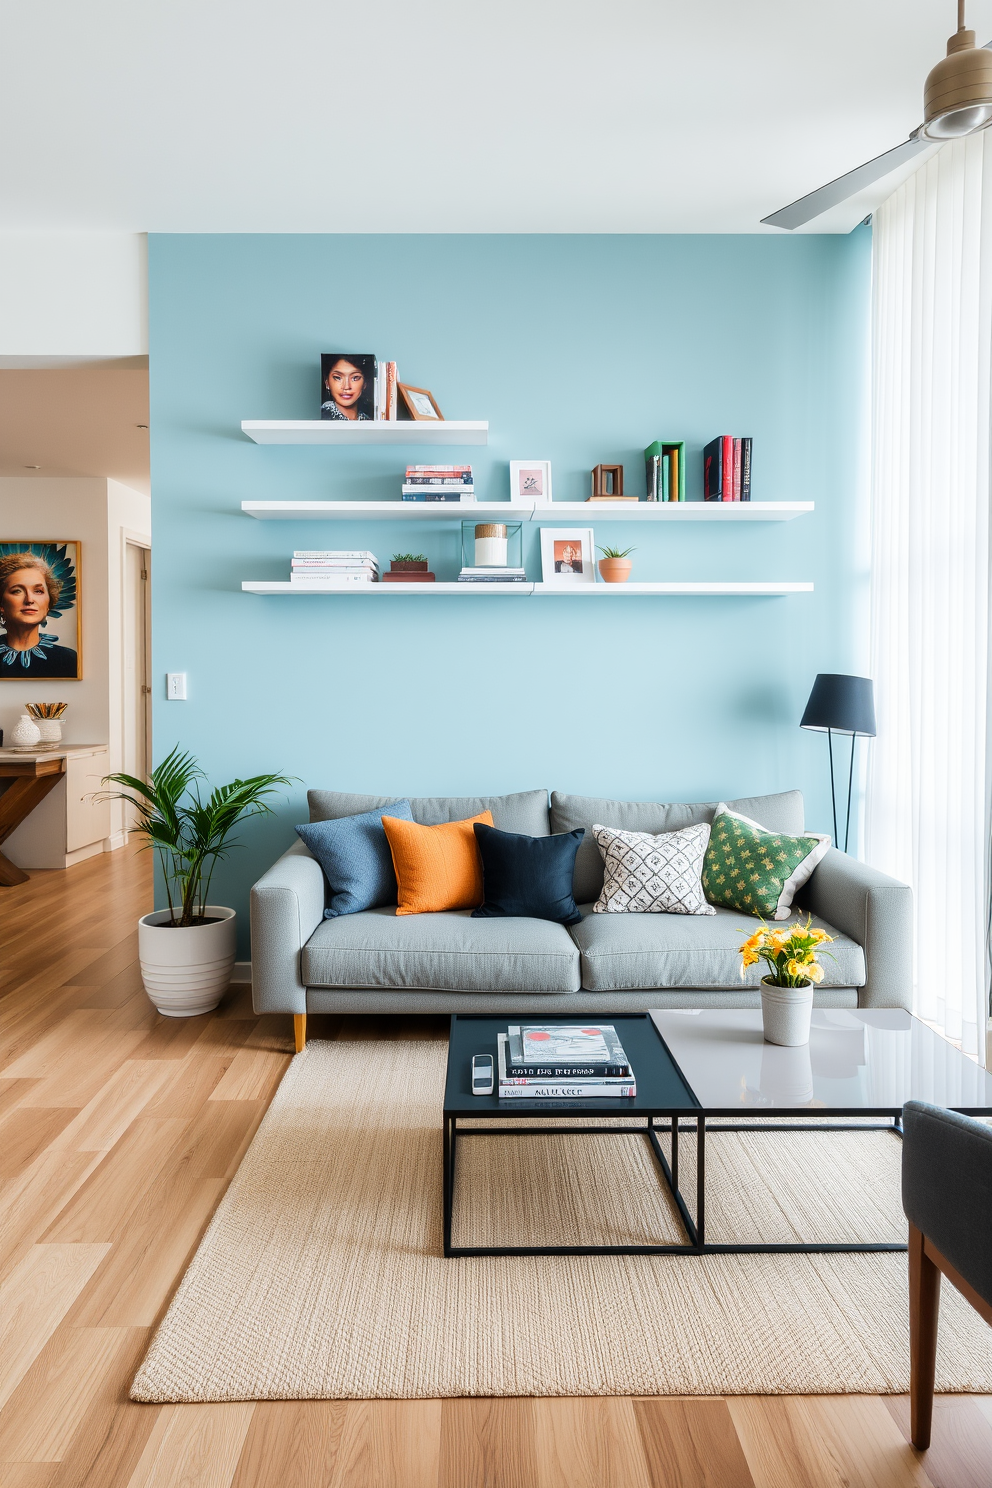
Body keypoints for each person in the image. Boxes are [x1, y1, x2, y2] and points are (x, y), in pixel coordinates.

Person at [0, 553, 78, 677]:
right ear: (1, 605)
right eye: (17, 591)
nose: (30, 600)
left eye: (38, 591)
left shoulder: (69, 660)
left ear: (48, 604)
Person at [320, 356, 374, 420]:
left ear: (365, 383)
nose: (346, 386)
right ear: (327, 382)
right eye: (338, 378)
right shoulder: (322, 417)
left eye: (355, 378)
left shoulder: (369, 421)